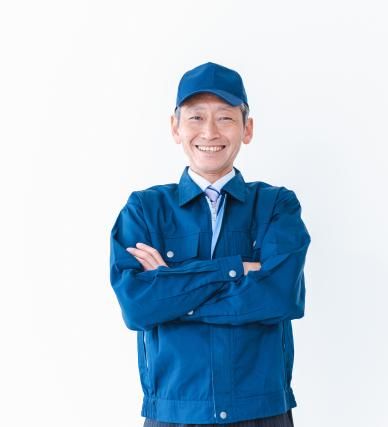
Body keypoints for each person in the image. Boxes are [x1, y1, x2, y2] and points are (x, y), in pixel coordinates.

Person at [109, 62, 311, 426]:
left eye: (225, 118)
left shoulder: (276, 206)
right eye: (196, 117)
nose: (210, 132)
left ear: (247, 129)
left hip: (261, 413)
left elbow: (280, 296)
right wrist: (233, 270)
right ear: (176, 127)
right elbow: (138, 307)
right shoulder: (145, 210)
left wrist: (172, 291)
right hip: (174, 413)